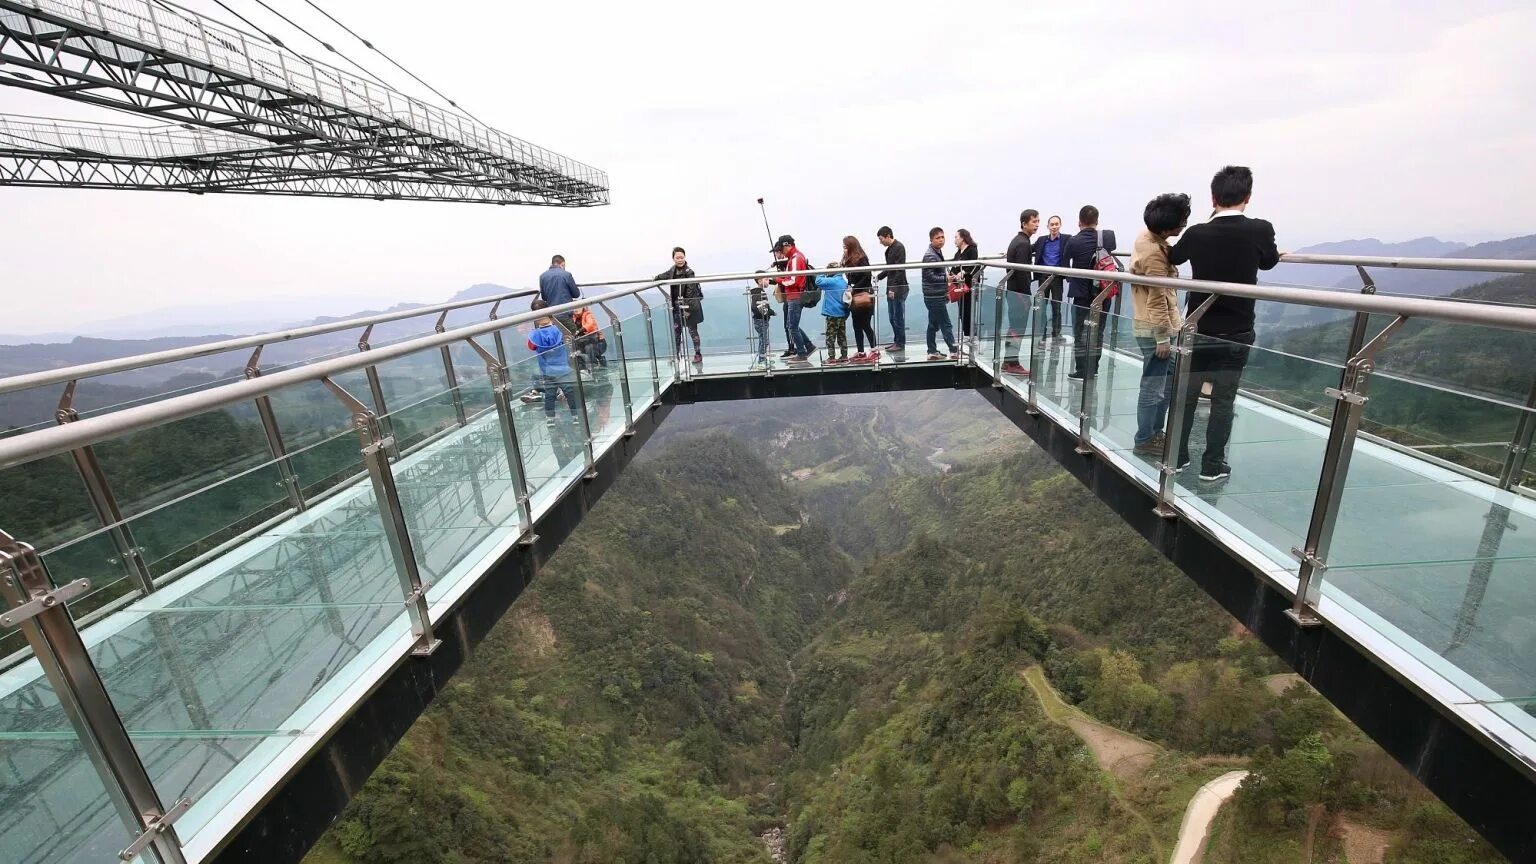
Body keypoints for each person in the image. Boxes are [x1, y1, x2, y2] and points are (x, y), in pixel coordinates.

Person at [1169, 165, 1280, 482]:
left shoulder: (1197, 233)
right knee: (1223, 400)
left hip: (1198, 328)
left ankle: (1176, 458)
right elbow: (1269, 261)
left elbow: (1175, 257)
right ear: (1247, 197)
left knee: (1186, 396)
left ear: (1213, 197)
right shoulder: (1260, 229)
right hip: (1237, 330)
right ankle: (1212, 465)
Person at [1130, 193, 1191, 455]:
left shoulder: (1148, 238)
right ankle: (1145, 438)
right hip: (1154, 329)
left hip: (1152, 325)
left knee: (1161, 384)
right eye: (1182, 222)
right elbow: (1157, 298)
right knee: (1153, 386)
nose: (1184, 226)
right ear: (1168, 227)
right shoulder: (1154, 253)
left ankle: (1153, 432)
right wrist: (1163, 337)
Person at [1061, 206, 1116, 380]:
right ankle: (1094, 367)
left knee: (1080, 331)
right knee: (1098, 330)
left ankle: (1082, 369)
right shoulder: (1107, 236)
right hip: (1103, 291)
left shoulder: (1073, 241)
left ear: (1079, 222)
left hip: (1081, 293)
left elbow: (1064, 264)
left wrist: (1073, 279)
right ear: (1097, 221)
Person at [526, 300, 580, 427]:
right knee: (569, 392)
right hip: (563, 368)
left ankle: (550, 418)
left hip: (547, 370)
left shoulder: (536, 335)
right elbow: (567, 339)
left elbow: (531, 346)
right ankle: (575, 415)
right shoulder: (558, 330)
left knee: (550, 394)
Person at [1003, 209, 1040, 374]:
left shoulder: (1018, 241)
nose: (1037, 225)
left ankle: (1008, 361)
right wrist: (1026, 297)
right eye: (1034, 221)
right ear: (1024, 223)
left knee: (1014, 327)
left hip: (1012, 291)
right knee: (1018, 328)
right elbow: (1022, 273)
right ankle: (1012, 363)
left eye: (1038, 221)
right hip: (1019, 293)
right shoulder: (1023, 244)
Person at [772, 235, 816, 361]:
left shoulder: (796, 259)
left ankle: (802, 353)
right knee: (791, 325)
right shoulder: (794, 257)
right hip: (795, 295)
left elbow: (794, 280)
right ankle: (808, 345)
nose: (782, 251)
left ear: (787, 245)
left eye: (782, 248)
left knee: (792, 327)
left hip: (795, 296)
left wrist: (778, 279)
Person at [659, 247, 703, 364]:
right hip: (677, 306)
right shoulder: (672, 270)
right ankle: (676, 355)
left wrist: (686, 308)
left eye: (681, 257)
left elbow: (691, 291)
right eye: (677, 257)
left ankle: (698, 354)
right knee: (677, 332)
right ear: (673, 259)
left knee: (692, 331)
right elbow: (664, 275)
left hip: (689, 307)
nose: (680, 260)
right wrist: (655, 278)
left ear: (685, 257)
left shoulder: (689, 272)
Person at [920, 227, 957, 360]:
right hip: (934, 296)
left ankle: (931, 351)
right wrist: (946, 279)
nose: (941, 240)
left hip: (933, 295)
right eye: (938, 238)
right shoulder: (930, 255)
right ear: (931, 239)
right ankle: (953, 350)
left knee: (933, 324)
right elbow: (930, 277)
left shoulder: (936, 252)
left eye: (942, 237)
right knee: (945, 323)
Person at [842, 236, 878, 362]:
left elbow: (866, 276)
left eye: (846, 247)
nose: (844, 249)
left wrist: (854, 288)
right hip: (855, 296)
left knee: (865, 324)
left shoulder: (862, 259)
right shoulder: (849, 260)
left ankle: (874, 350)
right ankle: (861, 351)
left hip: (864, 295)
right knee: (856, 324)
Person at [1032, 216, 1067, 340]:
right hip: (1043, 277)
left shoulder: (1066, 239)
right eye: (1052, 224)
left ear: (1060, 225)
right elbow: (1029, 248)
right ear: (1048, 226)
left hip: (1057, 278)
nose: (1054, 227)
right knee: (1042, 306)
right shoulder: (1041, 240)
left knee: (1056, 306)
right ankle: (1042, 334)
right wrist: (1009, 252)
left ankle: (1056, 334)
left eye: (1056, 224)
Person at [876, 227, 908, 352]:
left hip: (898, 288)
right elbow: (890, 268)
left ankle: (900, 343)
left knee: (898, 317)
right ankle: (896, 341)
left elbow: (899, 270)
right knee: (892, 317)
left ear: (888, 236)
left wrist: (893, 288)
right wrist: (879, 276)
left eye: (881, 239)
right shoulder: (890, 249)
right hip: (891, 287)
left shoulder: (899, 247)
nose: (880, 242)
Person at [949, 228, 980, 344]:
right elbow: (954, 266)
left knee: (969, 310)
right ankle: (966, 334)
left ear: (963, 238)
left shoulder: (972, 250)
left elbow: (973, 266)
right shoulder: (958, 253)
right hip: (959, 286)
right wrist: (952, 275)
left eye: (956, 237)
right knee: (962, 310)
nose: (955, 240)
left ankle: (972, 335)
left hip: (969, 285)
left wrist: (964, 272)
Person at [816, 264, 850, 363]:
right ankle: (844, 356)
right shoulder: (843, 282)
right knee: (841, 336)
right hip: (842, 313)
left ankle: (831, 357)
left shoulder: (832, 282)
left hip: (832, 313)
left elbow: (818, 281)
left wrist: (822, 272)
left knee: (830, 336)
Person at [748, 271, 776, 367]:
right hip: (761, 320)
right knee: (764, 340)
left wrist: (770, 311)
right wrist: (768, 312)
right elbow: (757, 307)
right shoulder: (759, 292)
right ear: (760, 281)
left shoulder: (758, 292)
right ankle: (761, 360)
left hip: (760, 319)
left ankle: (762, 359)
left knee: (762, 339)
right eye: (767, 279)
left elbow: (762, 306)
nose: (768, 281)